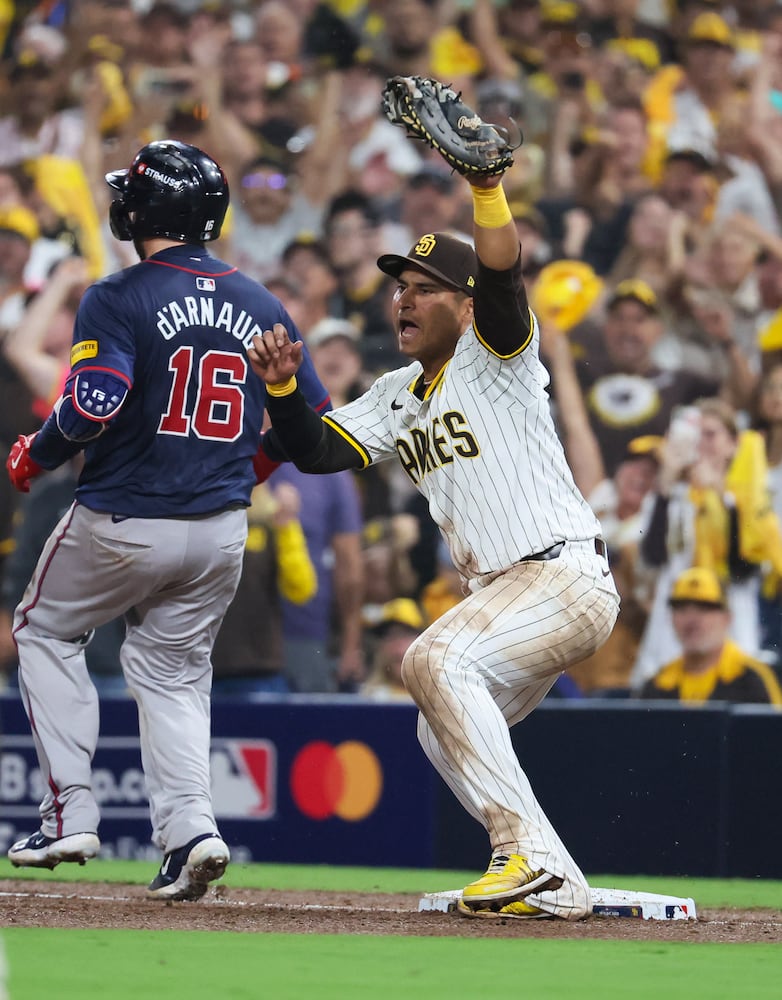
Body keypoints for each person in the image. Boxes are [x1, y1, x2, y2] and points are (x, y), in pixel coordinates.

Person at [248, 138, 619, 921]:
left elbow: (504, 276)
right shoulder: (393, 390)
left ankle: (522, 854)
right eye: (401, 289)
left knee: (434, 658)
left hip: (560, 574)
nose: (405, 301)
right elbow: (316, 450)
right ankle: (556, 877)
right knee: (434, 729)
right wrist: (283, 389)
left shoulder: (496, 353)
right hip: (513, 590)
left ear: (466, 303)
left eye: (427, 289)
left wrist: (487, 190)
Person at [3, 140, 330, 900]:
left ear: (145, 209)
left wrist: (36, 453)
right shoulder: (260, 302)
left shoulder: (117, 294)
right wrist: (252, 464)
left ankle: (68, 814)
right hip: (219, 529)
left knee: (44, 630)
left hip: (124, 516)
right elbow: (308, 416)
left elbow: (95, 401)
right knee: (175, 675)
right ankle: (192, 833)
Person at [638, 567, 782, 706]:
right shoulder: (657, 686)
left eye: (704, 608)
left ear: (727, 617)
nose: (692, 619)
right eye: (681, 608)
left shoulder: (752, 680)